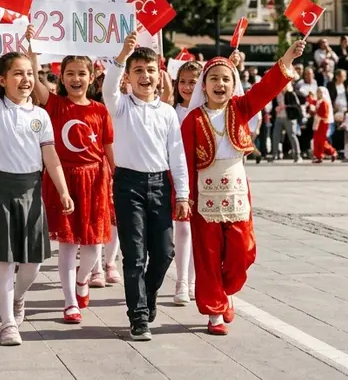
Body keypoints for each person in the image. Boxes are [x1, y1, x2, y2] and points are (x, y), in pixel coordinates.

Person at [180, 40, 302, 335]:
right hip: (204, 196)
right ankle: (215, 312)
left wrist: (287, 58)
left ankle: (226, 290)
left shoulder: (240, 108)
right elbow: (184, 161)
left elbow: (266, 88)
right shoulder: (192, 119)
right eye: (213, 78)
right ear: (204, 85)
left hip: (236, 193)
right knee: (208, 256)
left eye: (226, 79)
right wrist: (184, 197)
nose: (220, 84)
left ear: (233, 84)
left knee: (243, 250)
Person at [0, 17, 73, 346]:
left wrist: (63, 190)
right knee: (3, 261)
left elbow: (51, 157)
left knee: (32, 265)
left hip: (30, 190)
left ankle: (18, 296)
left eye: (30, 74)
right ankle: (7, 323)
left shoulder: (40, 115)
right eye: (18, 74)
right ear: (2, 80)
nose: (26, 80)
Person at [103, 31, 187, 342]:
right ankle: (138, 316)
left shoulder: (167, 112)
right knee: (135, 255)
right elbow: (108, 88)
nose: (145, 76)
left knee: (164, 253)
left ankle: (148, 294)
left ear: (159, 75)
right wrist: (122, 55)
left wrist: (183, 194)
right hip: (128, 185)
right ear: (128, 77)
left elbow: (177, 155)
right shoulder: (121, 105)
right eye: (138, 70)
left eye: (150, 70)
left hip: (160, 185)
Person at [30, 48, 115, 325]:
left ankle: (82, 279)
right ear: (62, 77)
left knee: (93, 244)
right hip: (63, 179)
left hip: (95, 180)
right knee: (68, 243)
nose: (76, 79)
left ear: (91, 77)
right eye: (70, 74)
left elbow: (108, 148)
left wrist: (116, 178)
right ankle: (69, 302)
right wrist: (32, 53)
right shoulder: (54, 104)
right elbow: (35, 80)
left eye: (81, 74)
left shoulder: (100, 110)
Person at [171, 60, 203, 304]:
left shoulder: (205, 111)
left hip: (203, 176)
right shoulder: (171, 111)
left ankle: (192, 281)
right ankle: (181, 281)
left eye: (193, 82)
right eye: (182, 81)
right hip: (178, 176)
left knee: (197, 231)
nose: (187, 87)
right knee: (182, 229)